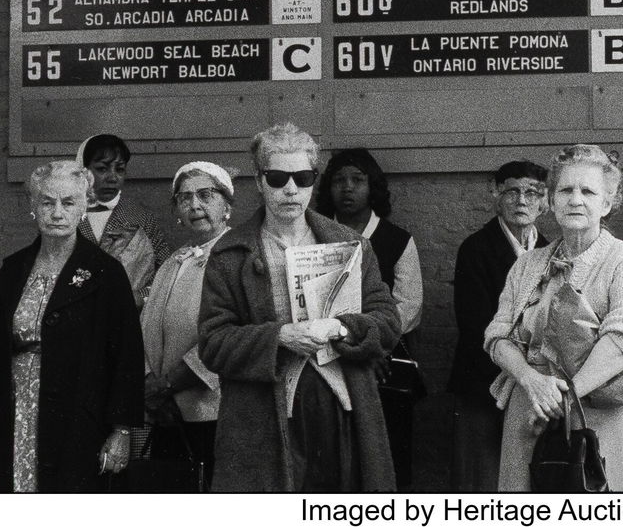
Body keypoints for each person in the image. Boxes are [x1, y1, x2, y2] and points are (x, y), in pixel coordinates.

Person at [198, 122, 400, 491]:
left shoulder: (351, 245)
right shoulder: (230, 255)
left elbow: (387, 321)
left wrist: (342, 328)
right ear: (259, 182)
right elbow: (213, 343)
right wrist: (279, 337)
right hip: (265, 416)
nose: (291, 189)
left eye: (302, 177)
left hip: (343, 405)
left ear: (313, 180)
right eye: (277, 178)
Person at [486, 144, 623, 492]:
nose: (575, 199)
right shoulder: (527, 264)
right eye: (565, 190)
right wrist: (533, 382)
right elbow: (497, 337)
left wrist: (562, 399)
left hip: (598, 420)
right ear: (550, 200)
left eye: (588, 191)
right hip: (530, 413)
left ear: (607, 204)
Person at [0, 160, 145, 492]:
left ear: (84, 207)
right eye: (47, 202)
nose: (57, 213)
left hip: (80, 413)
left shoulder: (106, 273)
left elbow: (127, 357)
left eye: (68, 202)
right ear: (33, 207)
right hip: (17, 406)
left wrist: (121, 430)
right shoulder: (13, 270)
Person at [313, 147, 425, 489]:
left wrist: (369, 344)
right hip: (326, 360)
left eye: (357, 180)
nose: (347, 188)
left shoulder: (397, 240)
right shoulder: (314, 237)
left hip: (383, 363)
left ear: (372, 186)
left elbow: (409, 306)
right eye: (339, 180)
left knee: (385, 458)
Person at [449, 159, 551, 492]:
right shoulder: (476, 249)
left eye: (533, 192)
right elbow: (475, 325)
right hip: (483, 383)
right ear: (496, 193)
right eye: (513, 191)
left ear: (545, 200)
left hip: (533, 386)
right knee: (483, 482)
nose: (523, 201)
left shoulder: (550, 250)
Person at [138, 160, 236, 490]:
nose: (194, 205)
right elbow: (145, 328)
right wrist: (152, 384)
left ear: (227, 204)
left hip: (213, 411)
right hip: (167, 411)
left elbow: (227, 335)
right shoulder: (174, 260)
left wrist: (169, 385)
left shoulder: (237, 257)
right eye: (184, 198)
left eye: (206, 195)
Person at [78, 133, 169, 306]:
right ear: (83, 170)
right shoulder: (66, 215)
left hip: (127, 317)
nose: (112, 178)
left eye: (119, 169)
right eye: (102, 168)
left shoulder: (140, 217)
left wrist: (138, 297)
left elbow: (166, 270)